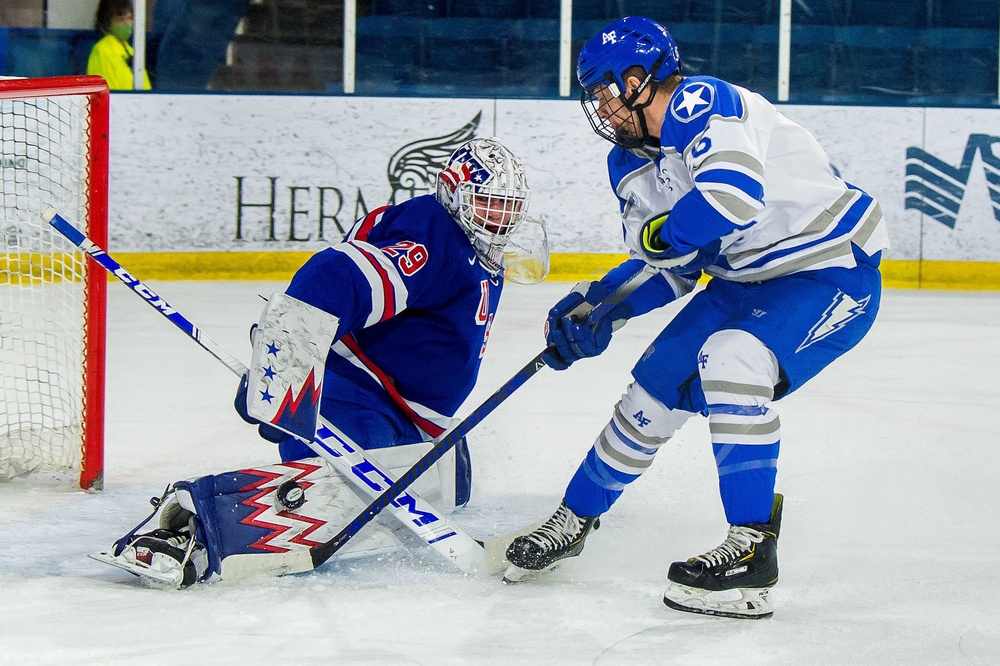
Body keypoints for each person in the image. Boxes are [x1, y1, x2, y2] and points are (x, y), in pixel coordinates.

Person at [504, 16, 889, 620]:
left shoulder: (701, 101)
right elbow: (673, 265)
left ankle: (751, 549)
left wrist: (662, 240)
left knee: (732, 358)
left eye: (606, 90)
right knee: (654, 386)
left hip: (830, 269)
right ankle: (572, 519)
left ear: (638, 78)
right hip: (743, 280)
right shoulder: (626, 162)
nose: (601, 107)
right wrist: (599, 306)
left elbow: (734, 196)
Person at [99, 137, 533, 586]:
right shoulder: (433, 234)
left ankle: (363, 468)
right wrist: (284, 361)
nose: (501, 219)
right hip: (357, 395)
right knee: (342, 493)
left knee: (448, 480)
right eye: (489, 204)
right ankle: (190, 526)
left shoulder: (473, 244)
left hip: (408, 413)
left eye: (508, 206)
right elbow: (338, 274)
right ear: (454, 193)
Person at [87, 0, 152, 90]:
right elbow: (109, 90)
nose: (127, 23)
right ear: (107, 22)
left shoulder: (131, 50)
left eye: (130, 18)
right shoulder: (103, 50)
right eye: (121, 20)